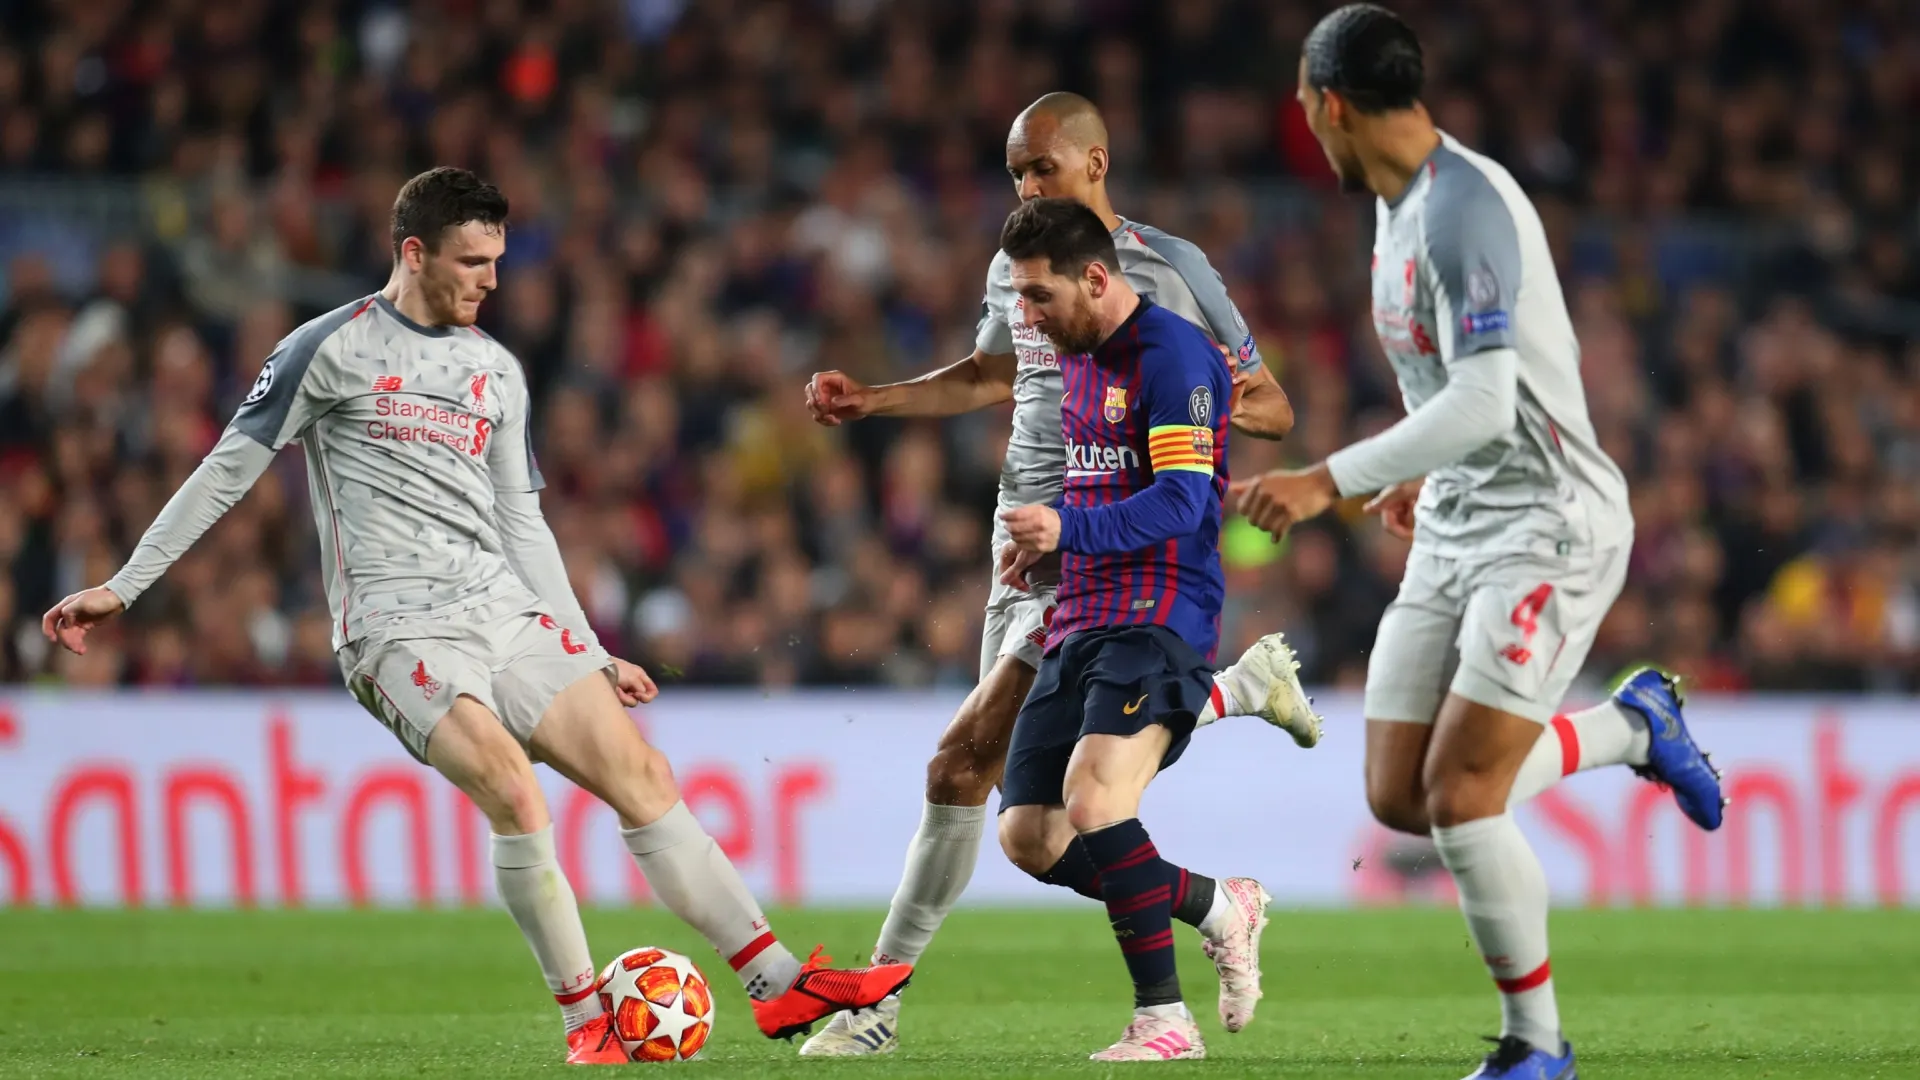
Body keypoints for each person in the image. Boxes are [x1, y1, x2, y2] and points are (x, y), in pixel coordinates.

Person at [41, 167, 910, 1065]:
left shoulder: (496, 370)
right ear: (413, 253)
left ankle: (776, 985)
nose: (492, 280)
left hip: (502, 609)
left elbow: (521, 519)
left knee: (640, 773)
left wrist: (588, 646)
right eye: (472, 260)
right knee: (513, 788)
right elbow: (227, 468)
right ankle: (587, 1023)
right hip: (395, 629)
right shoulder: (327, 347)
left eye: (496, 259)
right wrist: (124, 585)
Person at [1231, 8, 1728, 1079]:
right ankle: (1633, 728)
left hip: (1548, 526)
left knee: (1463, 801)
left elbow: (1494, 399)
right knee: (1398, 793)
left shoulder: (1463, 209)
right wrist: (1421, 469)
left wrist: (1331, 479)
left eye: (1306, 113)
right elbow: (1449, 387)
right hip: (1459, 518)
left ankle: (1535, 1050)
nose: (1308, 134)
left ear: (1332, 105)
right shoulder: (1396, 207)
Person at [799, 93, 1317, 1056]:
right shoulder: (1017, 264)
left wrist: (1178, 403)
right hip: (1027, 540)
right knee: (1027, 829)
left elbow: (1273, 407)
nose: (1025, 186)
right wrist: (875, 400)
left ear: (1096, 162)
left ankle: (877, 1006)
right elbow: (993, 374)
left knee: (960, 764)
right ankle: (1215, 891)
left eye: (1039, 168)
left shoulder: (1171, 273)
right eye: (1013, 172)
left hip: (1112, 541)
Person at [991, 195, 1249, 1061]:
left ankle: (1164, 1021)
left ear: (1096, 278)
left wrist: (1066, 530)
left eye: (1037, 296)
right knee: (1027, 833)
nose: (1025, 315)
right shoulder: (1078, 356)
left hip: (1159, 610)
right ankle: (1218, 905)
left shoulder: (1173, 358)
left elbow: (1180, 501)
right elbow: (1105, 487)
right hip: (1084, 611)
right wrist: (1054, 556)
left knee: (1096, 801)